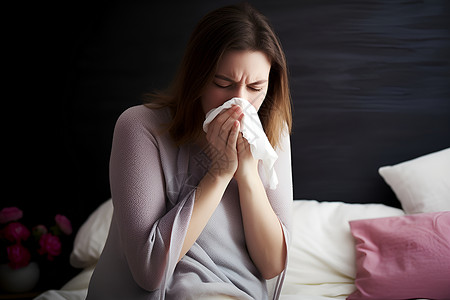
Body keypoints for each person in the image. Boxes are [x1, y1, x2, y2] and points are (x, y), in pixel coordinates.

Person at [86, 3, 293, 300]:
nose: (239, 102)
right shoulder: (140, 127)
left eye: (256, 87)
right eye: (223, 83)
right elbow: (149, 272)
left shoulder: (273, 133)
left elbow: (273, 265)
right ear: (197, 77)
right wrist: (220, 173)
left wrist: (247, 175)